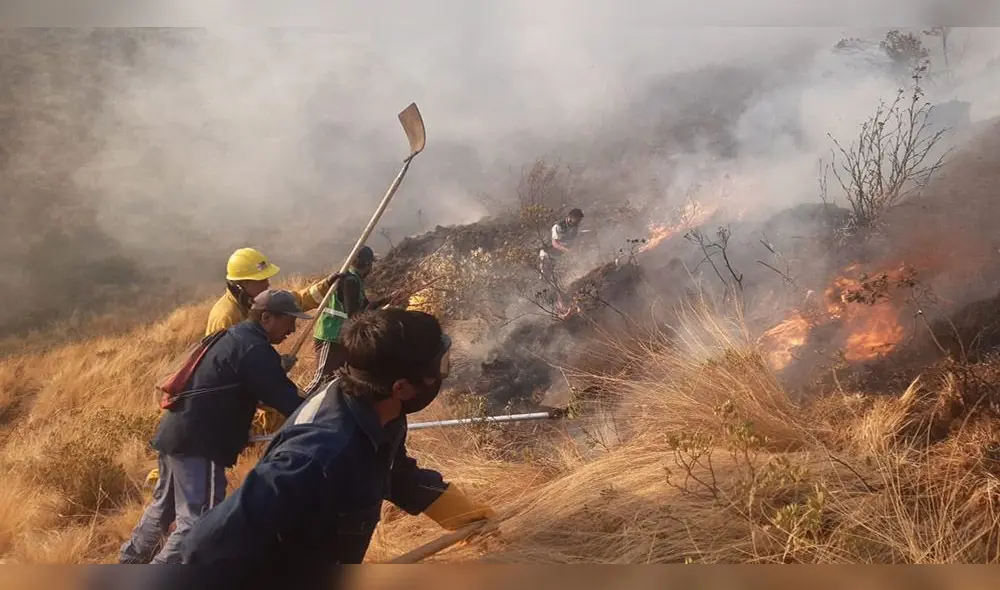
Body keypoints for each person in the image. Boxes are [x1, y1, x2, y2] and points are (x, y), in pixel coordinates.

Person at [175, 308, 495, 573]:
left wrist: (458, 512)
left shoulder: (378, 411)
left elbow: (393, 472)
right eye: (437, 369)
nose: (440, 377)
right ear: (400, 387)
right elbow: (206, 545)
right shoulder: (316, 456)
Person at [119, 289, 313, 564]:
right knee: (198, 520)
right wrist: (321, 412)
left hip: (176, 432)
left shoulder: (232, 337)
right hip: (202, 443)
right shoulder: (255, 350)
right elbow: (288, 401)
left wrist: (275, 367)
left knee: (164, 508)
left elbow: (237, 379)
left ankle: (130, 561)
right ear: (267, 317)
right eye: (289, 320)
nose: (293, 329)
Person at [304, 245, 397, 394]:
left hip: (341, 337)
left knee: (336, 380)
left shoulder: (356, 280)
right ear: (367, 264)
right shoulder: (349, 281)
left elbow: (366, 306)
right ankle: (293, 410)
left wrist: (388, 299)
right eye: (371, 264)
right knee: (321, 379)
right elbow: (354, 314)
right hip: (331, 334)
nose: (372, 268)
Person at [538, 208, 584, 313]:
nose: (578, 222)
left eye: (579, 220)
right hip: (547, 255)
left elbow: (572, 242)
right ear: (570, 217)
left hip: (560, 257)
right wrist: (568, 251)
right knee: (546, 281)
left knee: (560, 280)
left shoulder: (575, 227)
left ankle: (562, 306)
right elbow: (555, 244)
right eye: (577, 220)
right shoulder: (558, 226)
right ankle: (546, 306)